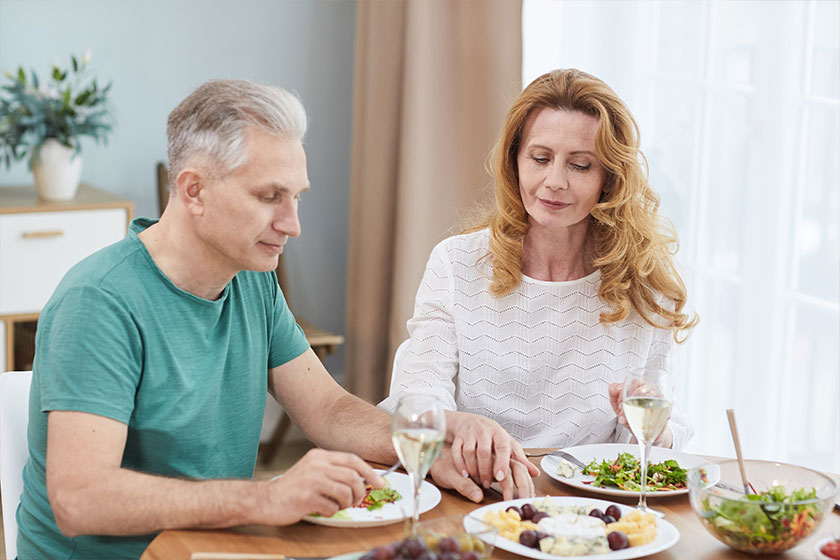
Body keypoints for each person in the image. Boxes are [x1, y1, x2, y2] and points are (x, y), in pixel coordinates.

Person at [15, 80, 530, 560]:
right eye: (269, 197)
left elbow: (327, 410)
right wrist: (266, 498)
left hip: (214, 549)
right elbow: (80, 498)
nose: (293, 225)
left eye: (297, 197)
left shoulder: (249, 279)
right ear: (193, 191)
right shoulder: (100, 302)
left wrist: (427, 445)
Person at [380, 69, 698, 474]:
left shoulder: (646, 287)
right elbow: (417, 397)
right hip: (473, 484)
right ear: (515, 161)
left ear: (609, 179)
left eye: (580, 165)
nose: (554, 182)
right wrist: (460, 428)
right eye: (540, 158)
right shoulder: (457, 264)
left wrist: (644, 429)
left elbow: (663, 438)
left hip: (590, 502)